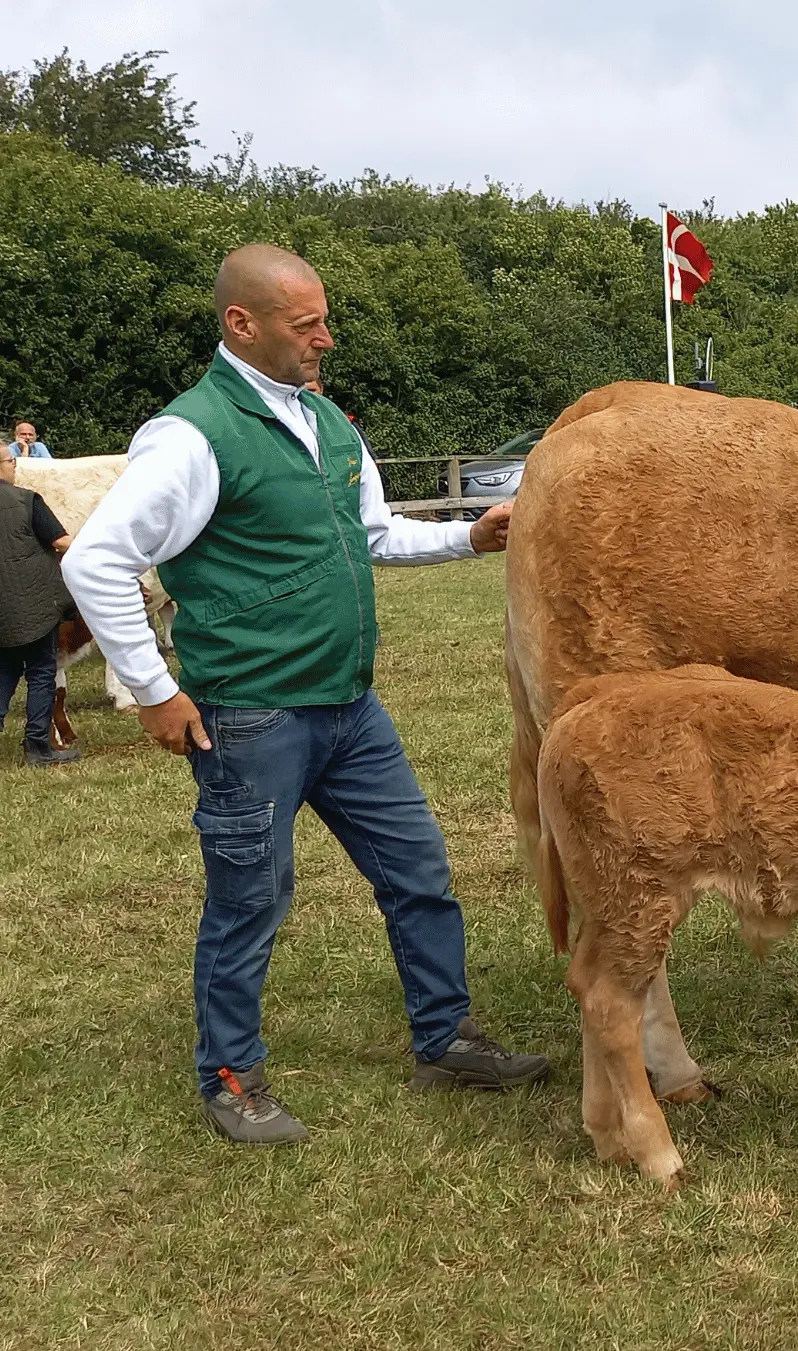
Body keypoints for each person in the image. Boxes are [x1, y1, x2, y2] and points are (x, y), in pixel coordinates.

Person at [64, 242, 546, 1145]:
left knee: (419, 873)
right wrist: (156, 691)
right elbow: (96, 561)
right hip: (251, 715)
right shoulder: (193, 434)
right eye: (307, 324)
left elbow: (373, 533)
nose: (326, 338)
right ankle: (230, 1077)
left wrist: (466, 538)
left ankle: (445, 1040)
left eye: (325, 320)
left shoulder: (324, 420)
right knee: (251, 900)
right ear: (241, 324)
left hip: (349, 708)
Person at [0, 448, 78, 766]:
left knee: (4, 671)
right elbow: (61, 542)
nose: (14, 466)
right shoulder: (26, 500)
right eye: (10, 460)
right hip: (34, 606)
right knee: (42, 674)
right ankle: (37, 747)